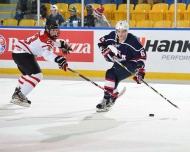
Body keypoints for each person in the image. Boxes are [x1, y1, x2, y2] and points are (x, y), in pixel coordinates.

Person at [10, 20, 72, 107]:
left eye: (56, 30)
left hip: (17, 53)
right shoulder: (46, 39)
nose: (55, 32)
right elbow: (46, 55)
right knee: (37, 75)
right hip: (23, 54)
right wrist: (58, 59)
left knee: (27, 75)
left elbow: (51, 41)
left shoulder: (45, 34)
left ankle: (17, 94)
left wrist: (62, 45)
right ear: (47, 30)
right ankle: (19, 96)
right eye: (53, 30)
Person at [96, 20, 147, 112]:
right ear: (116, 31)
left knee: (110, 73)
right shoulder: (112, 36)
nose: (121, 34)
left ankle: (107, 99)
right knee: (112, 77)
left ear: (127, 31)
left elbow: (142, 56)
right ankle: (112, 96)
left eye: (123, 31)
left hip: (132, 64)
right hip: (120, 61)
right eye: (119, 31)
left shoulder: (133, 40)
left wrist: (140, 71)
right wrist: (107, 52)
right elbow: (101, 43)